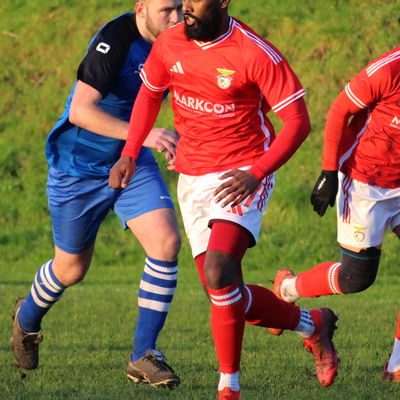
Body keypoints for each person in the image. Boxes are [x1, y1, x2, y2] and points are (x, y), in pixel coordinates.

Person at [109, 1, 340, 398]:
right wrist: (130, 153)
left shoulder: (253, 52)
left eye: (197, 0)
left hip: (243, 171)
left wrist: (258, 172)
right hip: (193, 176)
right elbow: (149, 96)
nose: (187, 7)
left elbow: (298, 121)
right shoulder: (170, 43)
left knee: (218, 272)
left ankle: (228, 388)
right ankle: (313, 324)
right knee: (224, 293)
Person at [11, 0, 183, 389]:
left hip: (131, 161)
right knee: (71, 269)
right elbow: (81, 111)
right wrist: (145, 135)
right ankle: (26, 319)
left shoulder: (179, 43)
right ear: (142, 8)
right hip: (78, 168)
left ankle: (144, 355)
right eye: (166, 10)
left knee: (166, 242)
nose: (175, 18)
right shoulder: (115, 38)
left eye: (180, 7)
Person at [270, 47, 400, 380]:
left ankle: (396, 364)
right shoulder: (388, 71)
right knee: (356, 279)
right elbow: (340, 109)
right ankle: (288, 288)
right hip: (365, 181)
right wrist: (329, 172)